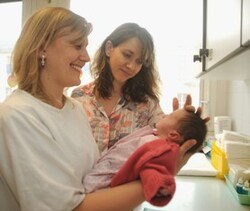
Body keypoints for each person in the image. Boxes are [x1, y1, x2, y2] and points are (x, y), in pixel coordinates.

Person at [0, 7, 202, 211]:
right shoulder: (18, 115)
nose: (86, 57)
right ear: (42, 47)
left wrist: (186, 126)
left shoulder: (74, 109)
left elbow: (92, 175)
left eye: (139, 61)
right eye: (78, 45)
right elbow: (68, 207)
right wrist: (157, 180)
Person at [71, 22, 165, 152]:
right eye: (127, 55)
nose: (131, 66)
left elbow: (165, 146)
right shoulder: (79, 97)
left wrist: (183, 122)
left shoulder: (147, 104)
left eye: (139, 62)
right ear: (109, 48)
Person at [83, 108, 207, 206]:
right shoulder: (155, 136)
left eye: (169, 116)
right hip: (99, 182)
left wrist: (160, 185)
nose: (164, 115)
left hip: (104, 186)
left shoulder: (161, 150)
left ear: (173, 135)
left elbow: (154, 171)